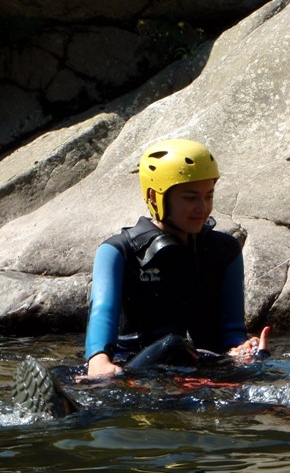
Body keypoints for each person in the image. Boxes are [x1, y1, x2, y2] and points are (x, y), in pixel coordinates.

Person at [84, 138, 259, 379]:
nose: (203, 207)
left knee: (260, 360)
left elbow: (232, 332)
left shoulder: (224, 250)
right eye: (190, 198)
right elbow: (102, 311)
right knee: (172, 346)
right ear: (154, 197)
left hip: (203, 368)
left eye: (209, 195)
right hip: (134, 369)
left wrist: (242, 349)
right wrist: (98, 359)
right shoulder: (118, 251)